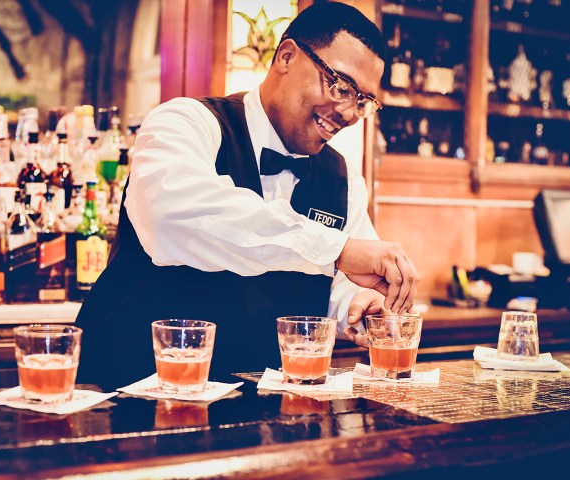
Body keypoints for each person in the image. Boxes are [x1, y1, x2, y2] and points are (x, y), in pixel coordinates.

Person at [76, 1, 419, 389]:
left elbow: (343, 280)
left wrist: (357, 304)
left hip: (262, 413)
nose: (348, 112)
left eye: (362, 101)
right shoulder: (185, 122)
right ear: (287, 56)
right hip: (130, 397)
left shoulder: (343, 178)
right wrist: (338, 250)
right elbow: (174, 215)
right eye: (340, 85)